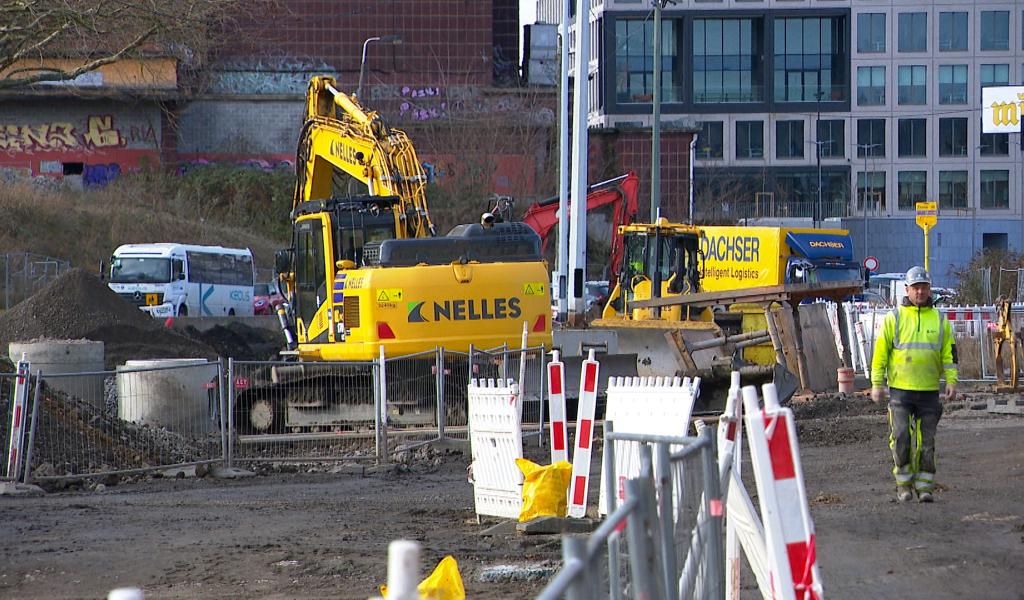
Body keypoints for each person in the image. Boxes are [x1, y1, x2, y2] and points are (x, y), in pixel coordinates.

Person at [870, 266, 957, 503]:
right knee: (901, 438)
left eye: (924, 287)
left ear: (930, 289)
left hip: (929, 392)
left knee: (927, 443)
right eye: (916, 287)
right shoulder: (895, 318)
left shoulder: (940, 320)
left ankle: (925, 487)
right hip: (901, 391)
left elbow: (949, 354)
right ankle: (904, 485)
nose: (920, 292)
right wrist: (877, 383)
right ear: (907, 289)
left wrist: (951, 381)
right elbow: (880, 354)